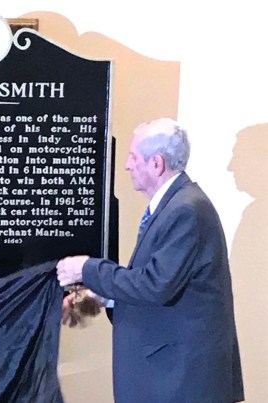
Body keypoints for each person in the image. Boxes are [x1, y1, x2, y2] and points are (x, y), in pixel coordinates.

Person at [56, 118, 244, 402]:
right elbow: (163, 285)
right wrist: (105, 296)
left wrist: (86, 268)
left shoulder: (185, 210)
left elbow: (156, 284)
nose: (127, 165)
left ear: (156, 164)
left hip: (180, 381)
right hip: (171, 377)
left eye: (133, 157)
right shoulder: (176, 206)